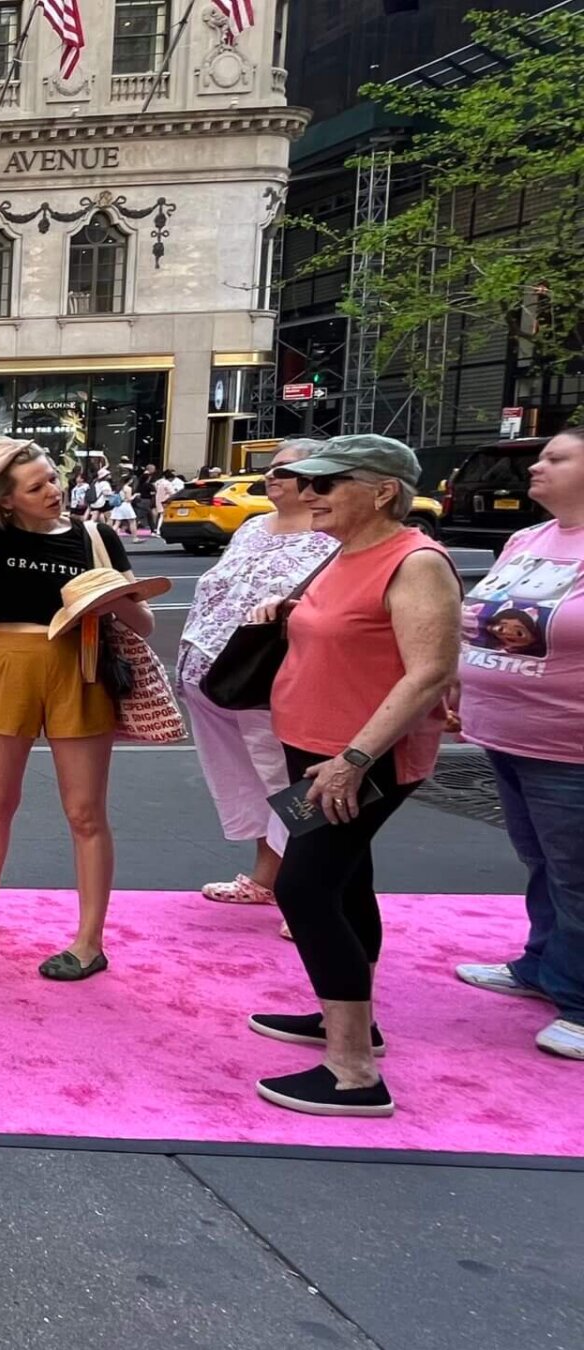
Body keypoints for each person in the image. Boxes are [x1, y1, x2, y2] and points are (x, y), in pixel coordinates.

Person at [249, 435, 461, 1116]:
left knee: (306, 890)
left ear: (383, 493)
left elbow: (429, 669)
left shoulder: (416, 561)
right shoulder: (344, 553)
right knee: (346, 881)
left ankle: (353, 1073)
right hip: (312, 748)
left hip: (355, 759)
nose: (308, 495)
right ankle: (350, 1019)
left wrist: (354, 759)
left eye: (325, 484)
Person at [0, 439, 156, 981]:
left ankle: (90, 941)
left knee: (85, 812)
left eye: (53, 479)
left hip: (79, 663)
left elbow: (145, 624)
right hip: (9, 662)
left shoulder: (97, 536)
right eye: (36, 485)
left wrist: (108, 599)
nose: (53, 491)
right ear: (5, 500)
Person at [450, 427, 584, 1061]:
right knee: (541, 859)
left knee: (576, 872)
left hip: (571, 741)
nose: (537, 466)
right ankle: (542, 965)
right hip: (506, 731)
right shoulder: (527, 539)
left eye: (557, 457)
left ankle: (580, 999)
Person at [179, 439, 339, 923]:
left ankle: (305, 892)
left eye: (286, 471)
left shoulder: (330, 534)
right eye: (271, 469)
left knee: (287, 781)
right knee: (243, 777)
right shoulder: (251, 527)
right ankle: (266, 877)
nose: (273, 477)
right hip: (216, 676)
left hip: (274, 679)